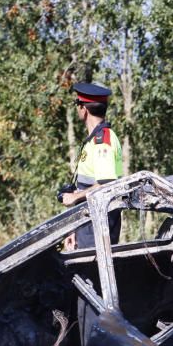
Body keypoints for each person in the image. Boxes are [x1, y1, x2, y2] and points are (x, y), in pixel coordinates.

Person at [60, 82, 124, 250]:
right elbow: (85, 186)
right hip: (88, 220)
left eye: (77, 104)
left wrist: (74, 197)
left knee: (91, 266)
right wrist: (73, 228)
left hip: (99, 222)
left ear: (83, 109)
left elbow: (106, 185)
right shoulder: (93, 140)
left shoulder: (102, 141)